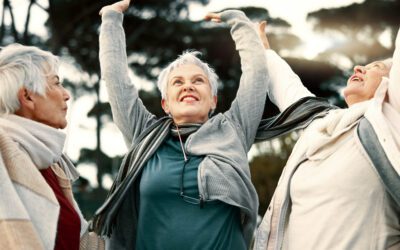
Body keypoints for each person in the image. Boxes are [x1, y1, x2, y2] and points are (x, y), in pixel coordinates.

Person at [91, 0, 269, 249]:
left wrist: (239, 24)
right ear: (165, 104)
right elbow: (116, 80)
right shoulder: (145, 134)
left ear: (213, 101)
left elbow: (257, 76)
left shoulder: (233, 130)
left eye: (198, 81)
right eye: (178, 82)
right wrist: (111, 20)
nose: (188, 86)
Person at [253, 22, 400, 249]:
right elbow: (285, 84)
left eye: (376, 66)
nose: (359, 68)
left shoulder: (392, 123)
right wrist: (260, 47)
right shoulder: (320, 121)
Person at [0, 44, 103, 249]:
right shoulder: (4, 156)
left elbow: (80, 242)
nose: (66, 94)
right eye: (56, 83)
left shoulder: (50, 165)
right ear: (27, 96)